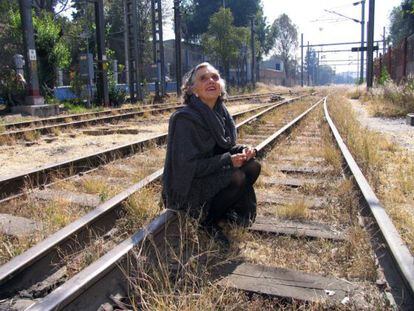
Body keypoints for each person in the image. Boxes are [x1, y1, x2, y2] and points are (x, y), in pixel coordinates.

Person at [162, 62, 261, 246]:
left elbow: (222, 149)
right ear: (192, 90)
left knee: (253, 165)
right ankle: (207, 222)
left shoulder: (220, 113)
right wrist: (228, 161)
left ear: (221, 86)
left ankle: (220, 210)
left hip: (209, 175)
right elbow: (188, 167)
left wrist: (244, 151)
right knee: (237, 176)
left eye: (214, 77)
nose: (210, 81)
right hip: (189, 186)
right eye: (203, 78)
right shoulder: (185, 119)